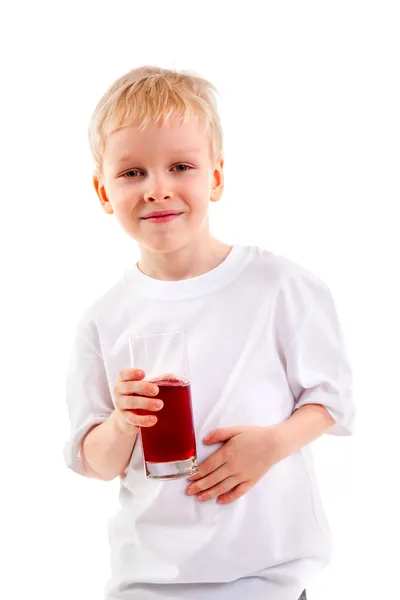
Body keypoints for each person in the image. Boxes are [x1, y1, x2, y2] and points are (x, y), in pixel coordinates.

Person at [63, 66, 355, 600]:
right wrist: (124, 422)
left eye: (181, 166)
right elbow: (96, 462)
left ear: (215, 178)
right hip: (146, 584)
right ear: (103, 190)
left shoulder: (278, 285)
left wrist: (270, 446)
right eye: (132, 173)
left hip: (268, 580)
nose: (158, 189)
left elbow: (332, 400)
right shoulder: (103, 319)